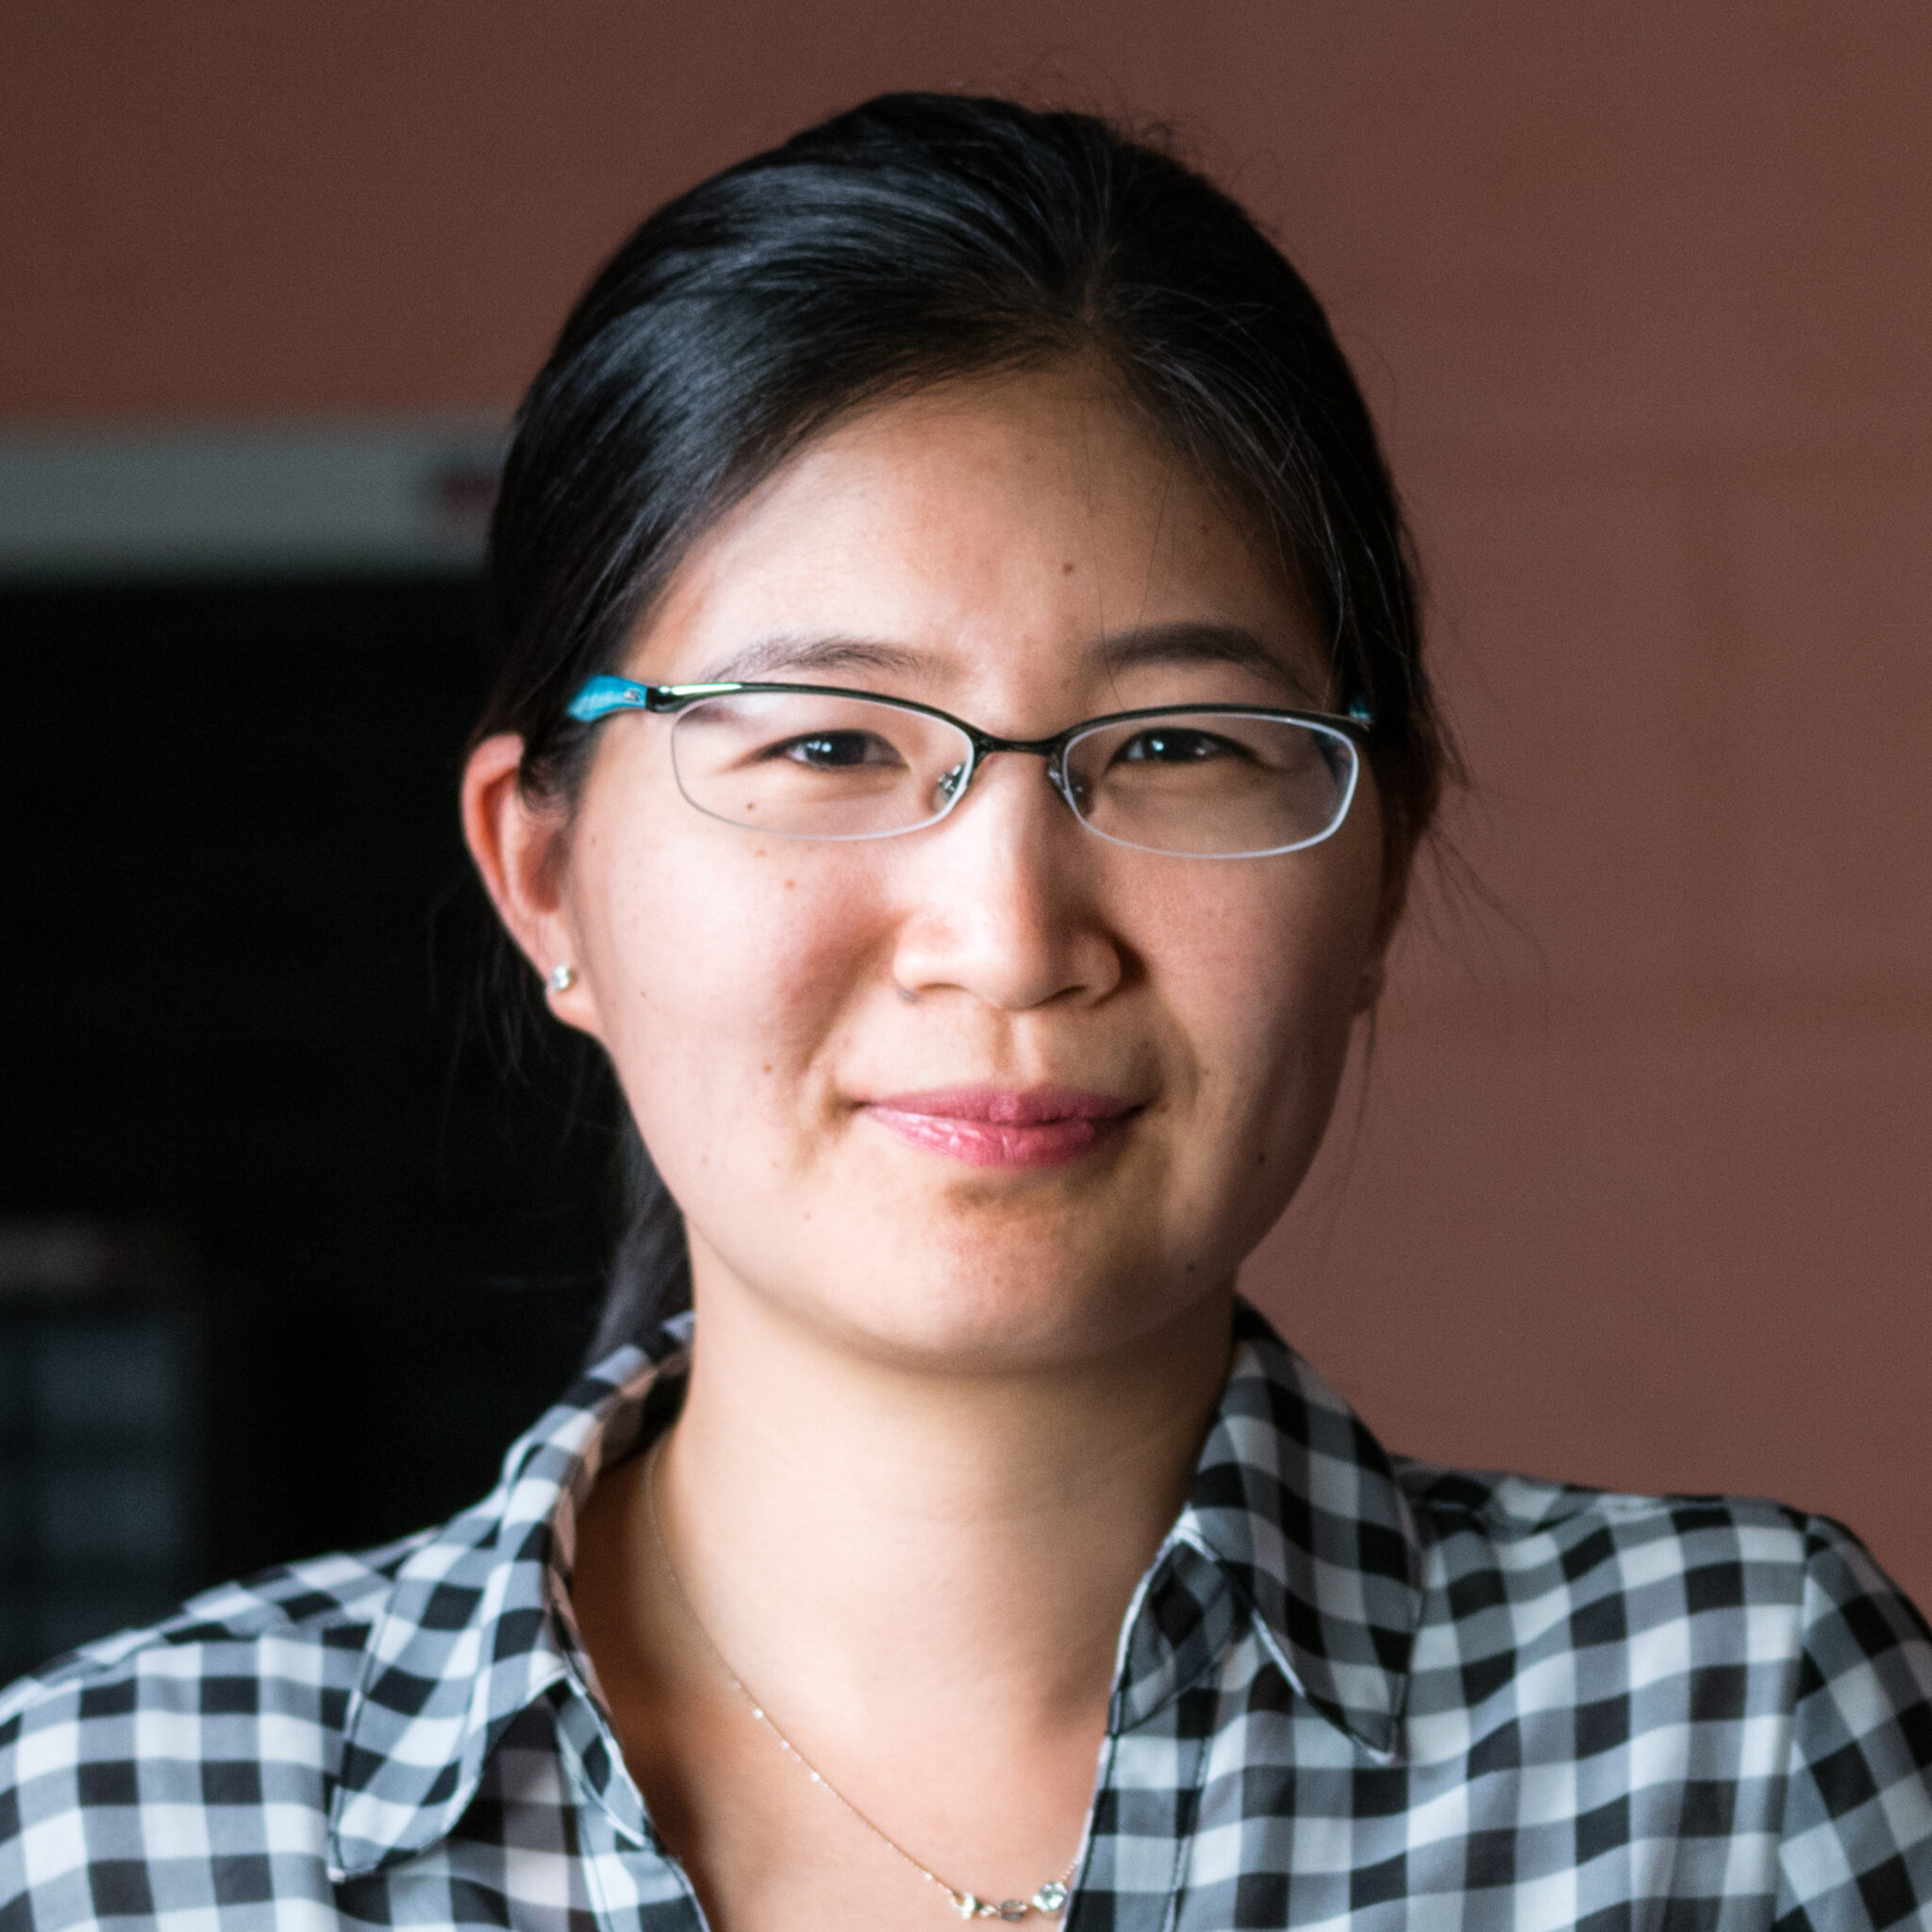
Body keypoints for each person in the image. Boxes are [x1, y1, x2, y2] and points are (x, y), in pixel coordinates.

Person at [4, 92, 1930, 1932]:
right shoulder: (108, 1839)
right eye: (829, 742)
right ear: (544, 876)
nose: (1009, 938)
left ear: (1381, 871)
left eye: (1176, 744)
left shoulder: (1733, 1740)